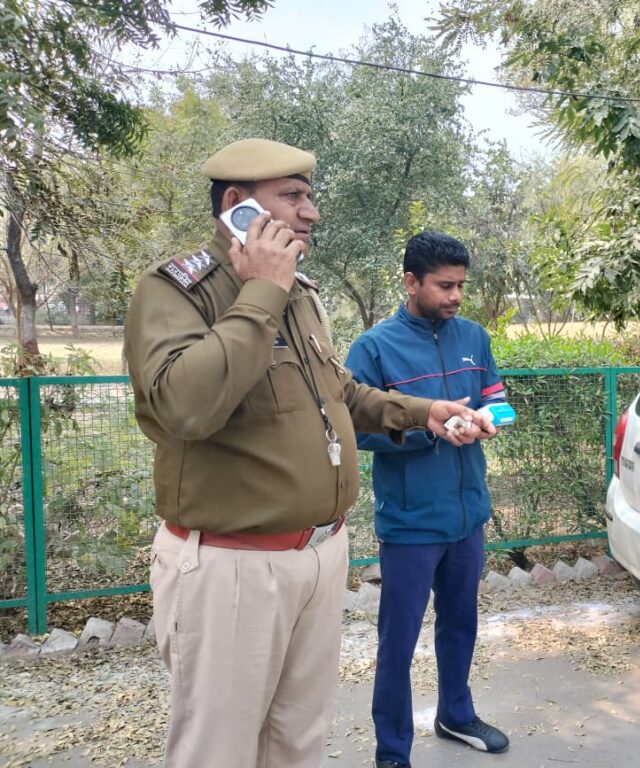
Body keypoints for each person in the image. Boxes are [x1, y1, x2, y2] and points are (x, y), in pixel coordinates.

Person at [123, 139, 492, 768]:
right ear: (237, 204)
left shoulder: (300, 293)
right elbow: (183, 407)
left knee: (299, 739)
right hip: (234, 565)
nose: (311, 212)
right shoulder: (178, 290)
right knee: (220, 749)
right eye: (292, 196)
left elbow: (337, 392)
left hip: (319, 554)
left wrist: (423, 412)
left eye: (308, 196)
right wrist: (261, 291)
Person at [345, 232, 511, 768]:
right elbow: (354, 429)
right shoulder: (374, 348)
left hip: (468, 516)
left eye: (461, 284)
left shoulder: (473, 337)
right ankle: (392, 751)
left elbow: (498, 400)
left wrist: (488, 421)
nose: (456, 295)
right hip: (411, 523)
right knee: (398, 641)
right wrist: (426, 429)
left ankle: (456, 714)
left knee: (460, 624)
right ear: (411, 282)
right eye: (444, 285)